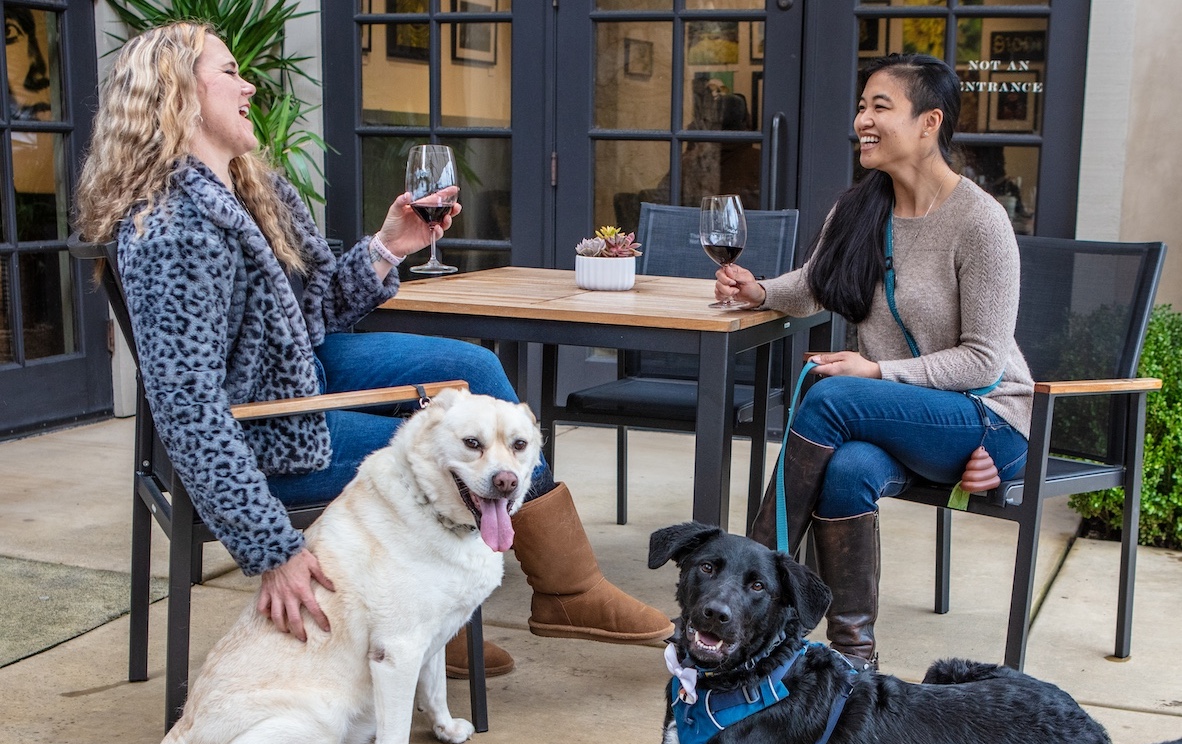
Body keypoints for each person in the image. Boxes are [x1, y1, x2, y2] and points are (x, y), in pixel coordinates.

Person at [73, 22, 672, 679]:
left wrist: (391, 245)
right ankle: (424, 617)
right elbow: (190, 413)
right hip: (259, 437)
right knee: (449, 457)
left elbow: (317, 312)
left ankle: (567, 590)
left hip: (290, 378)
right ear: (176, 96)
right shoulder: (176, 233)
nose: (249, 84)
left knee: (472, 373)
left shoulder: (251, 191)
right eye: (228, 71)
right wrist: (273, 548)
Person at [714, 53, 1033, 670]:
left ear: (929, 122)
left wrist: (879, 372)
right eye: (862, 106)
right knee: (847, 471)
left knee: (829, 394)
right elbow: (815, 282)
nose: (862, 118)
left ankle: (748, 587)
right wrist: (759, 291)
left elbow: (985, 359)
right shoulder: (862, 207)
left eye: (879, 106)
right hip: (904, 419)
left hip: (988, 419)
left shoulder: (980, 222)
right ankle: (853, 662)